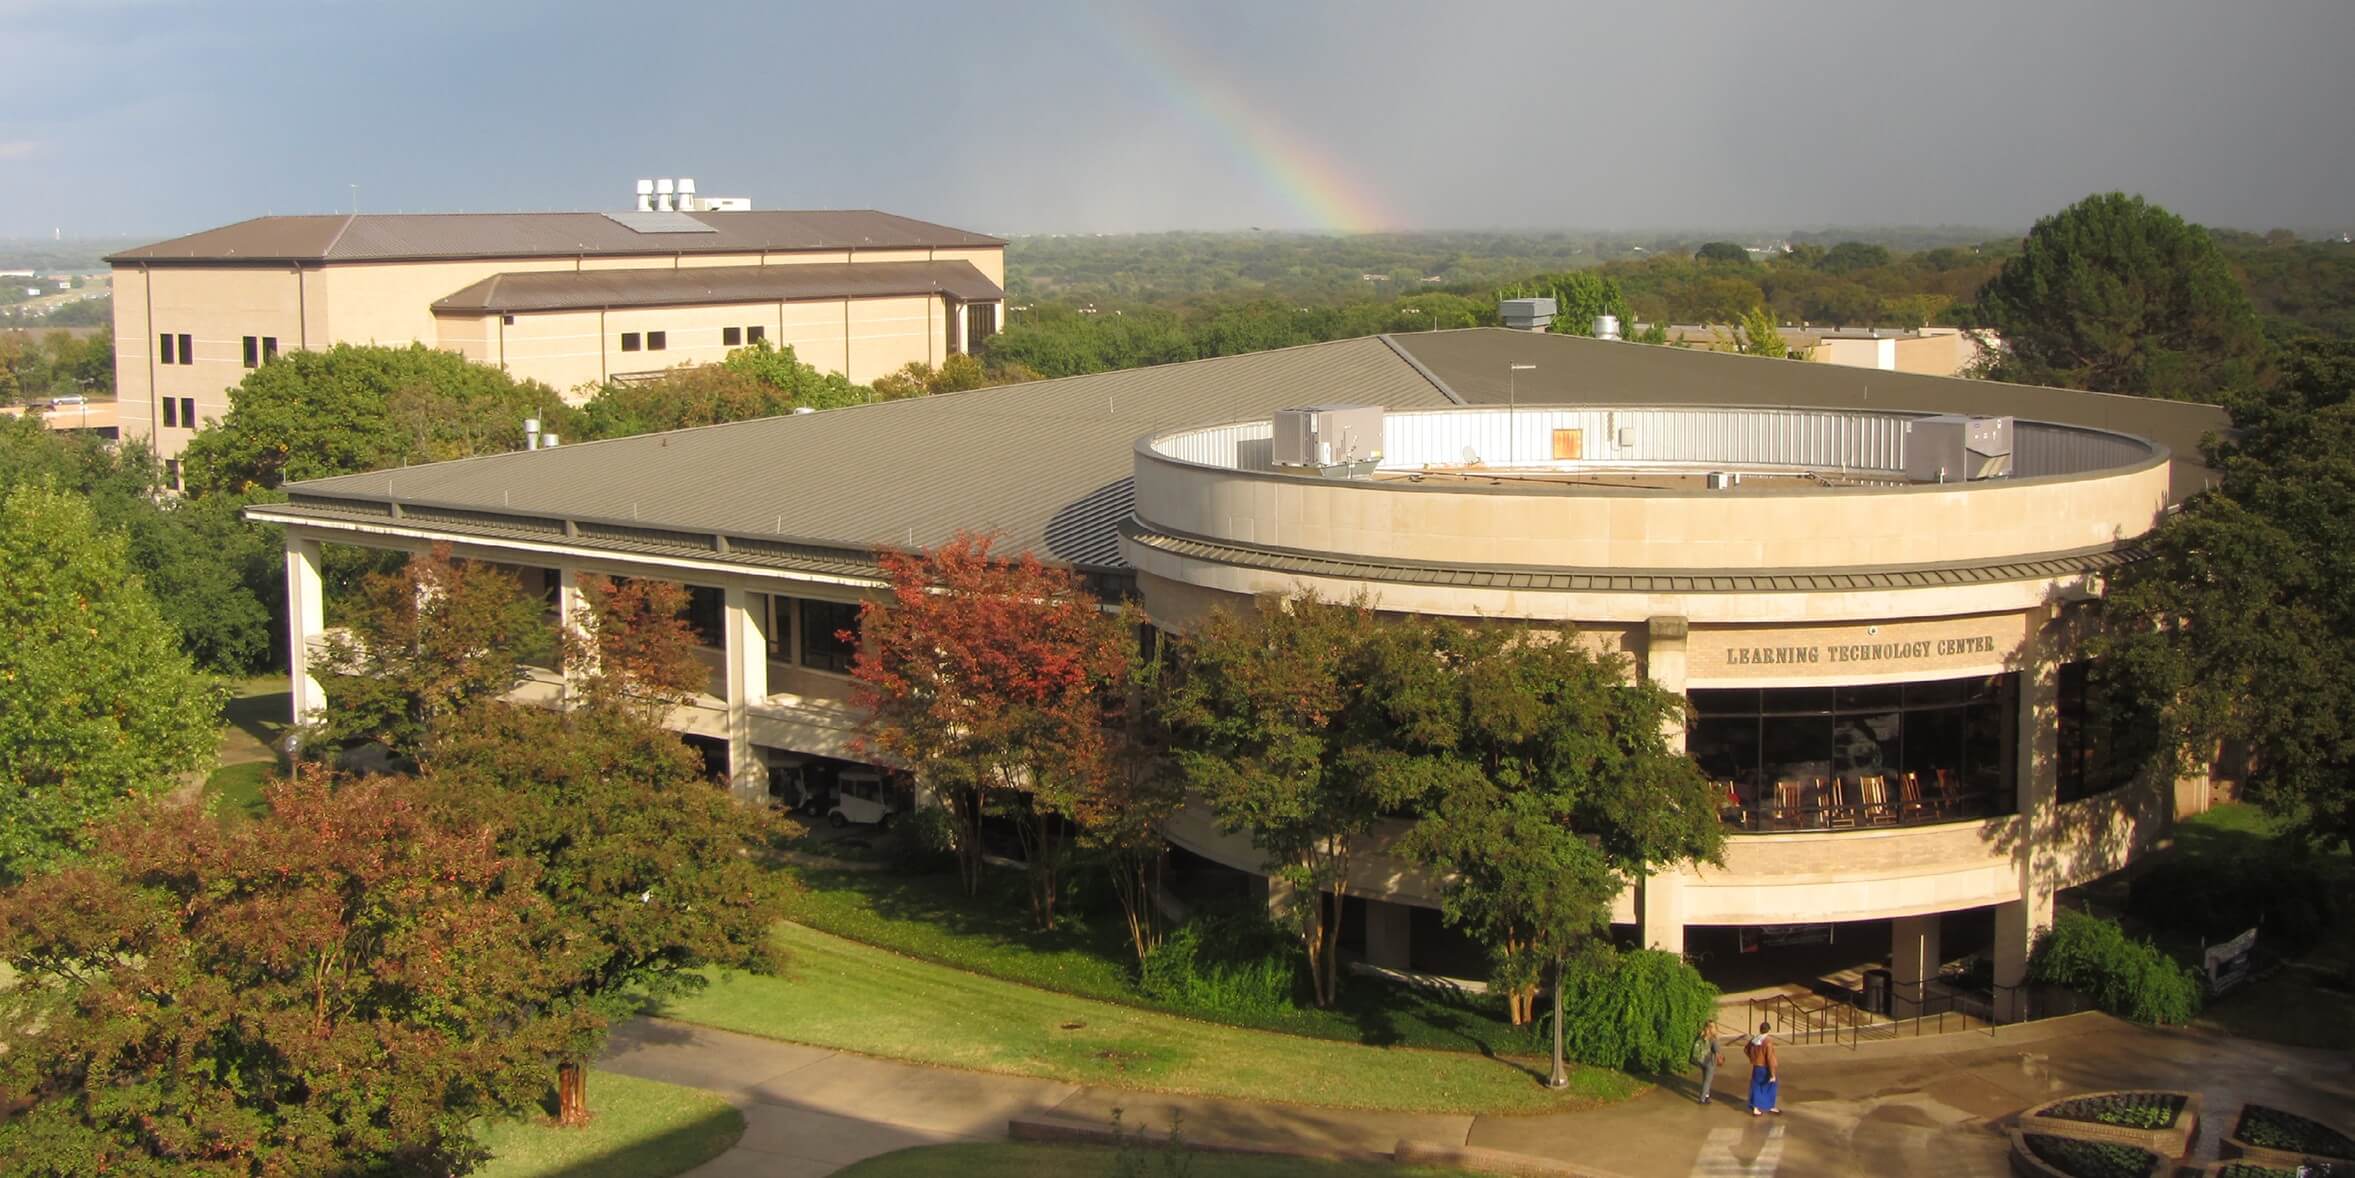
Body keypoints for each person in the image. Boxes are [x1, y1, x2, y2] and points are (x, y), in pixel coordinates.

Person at [1745, 1021, 1781, 1116]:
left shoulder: (1754, 1039)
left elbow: (1746, 1049)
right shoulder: (1768, 1042)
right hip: (1765, 1067)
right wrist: (1772, 1073)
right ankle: (1770, 1105)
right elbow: (1769, 1057)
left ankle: (1755, 1107)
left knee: (1756, 1086)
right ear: (1769, 1030)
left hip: (1757, 1067)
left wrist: (1752, 1058)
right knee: (1771, 1086)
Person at [1692, 1018, 1725, 1104]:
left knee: (1705, 1079)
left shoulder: (1701, 1035)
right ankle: (1702, 1099)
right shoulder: (1713, 1039)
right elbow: (1717, 1051)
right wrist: (1720, 1059)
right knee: (1707, 1081)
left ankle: (1707, 1096)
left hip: (1701, 1060)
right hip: (1710, 1062)